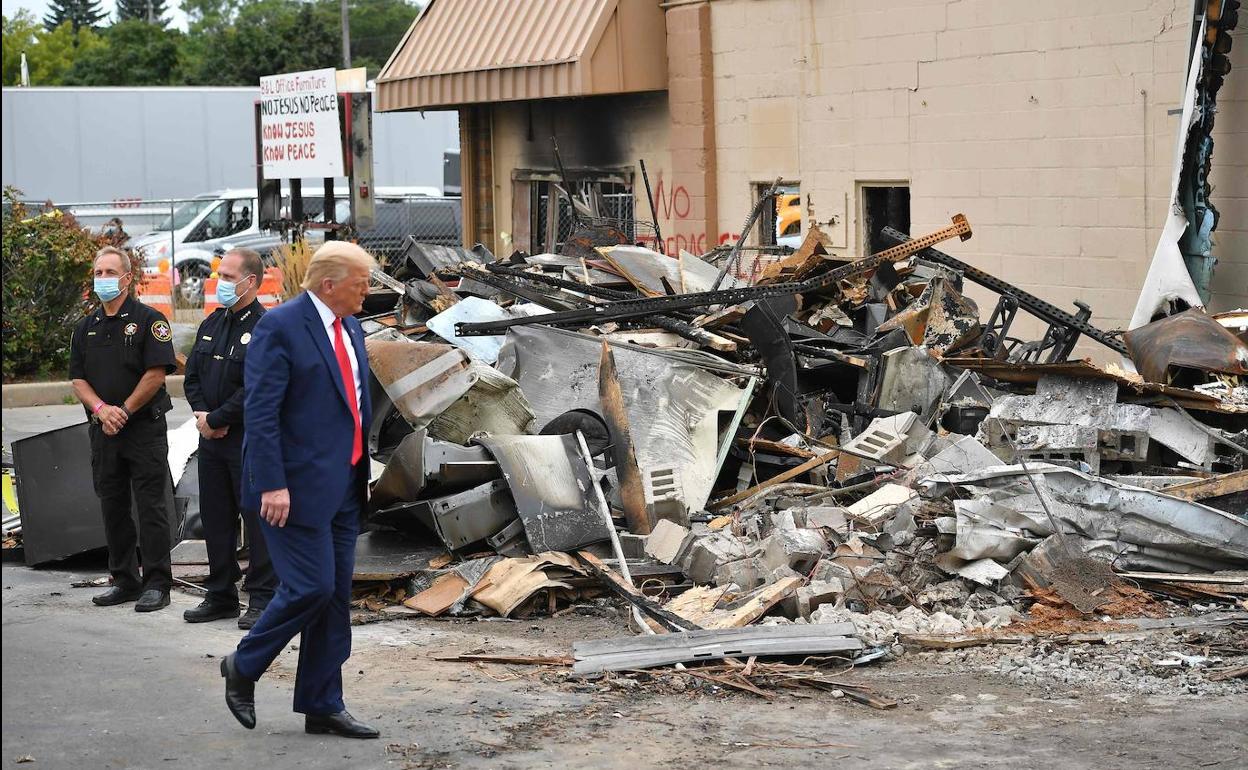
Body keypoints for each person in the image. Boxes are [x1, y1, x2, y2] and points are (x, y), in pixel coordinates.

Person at [220, 241, 379, 739]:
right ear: (329, 284)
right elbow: (261, 412)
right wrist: (271, 483)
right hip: (291, 489)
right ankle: (243, 665)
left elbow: (351, 401)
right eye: (361, 283)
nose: (368, 291)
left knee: (332, 600)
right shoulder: (281, 326)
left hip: (344, 484)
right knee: (310, 587)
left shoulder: (350, 325)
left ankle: (322, 703)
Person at [69, 246, 177, 612]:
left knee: (151, 507)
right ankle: (124, 579)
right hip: (105, 432)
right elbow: (78, 380)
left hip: (142, 428)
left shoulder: (150, 320)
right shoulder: (86, 328)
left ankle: (158, 583)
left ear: (127, 278)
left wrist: (123, 411)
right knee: (112, 506)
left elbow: (156, 374)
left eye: (109, 272)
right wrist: (101, 410)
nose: (103, 279)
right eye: (98, 273)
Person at [182, 248, 276, 629]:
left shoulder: (266, 328)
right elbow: (191, 378)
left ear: (250, 281)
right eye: (219, 276)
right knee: (216, 518)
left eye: (227, 277)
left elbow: (257, 387)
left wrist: (219, 418)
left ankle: (263, 596)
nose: (219, 284)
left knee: (256, 518)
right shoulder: (212, 324)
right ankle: (221, 593)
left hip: (246, 440)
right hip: (211, 440)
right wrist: (205, 418)